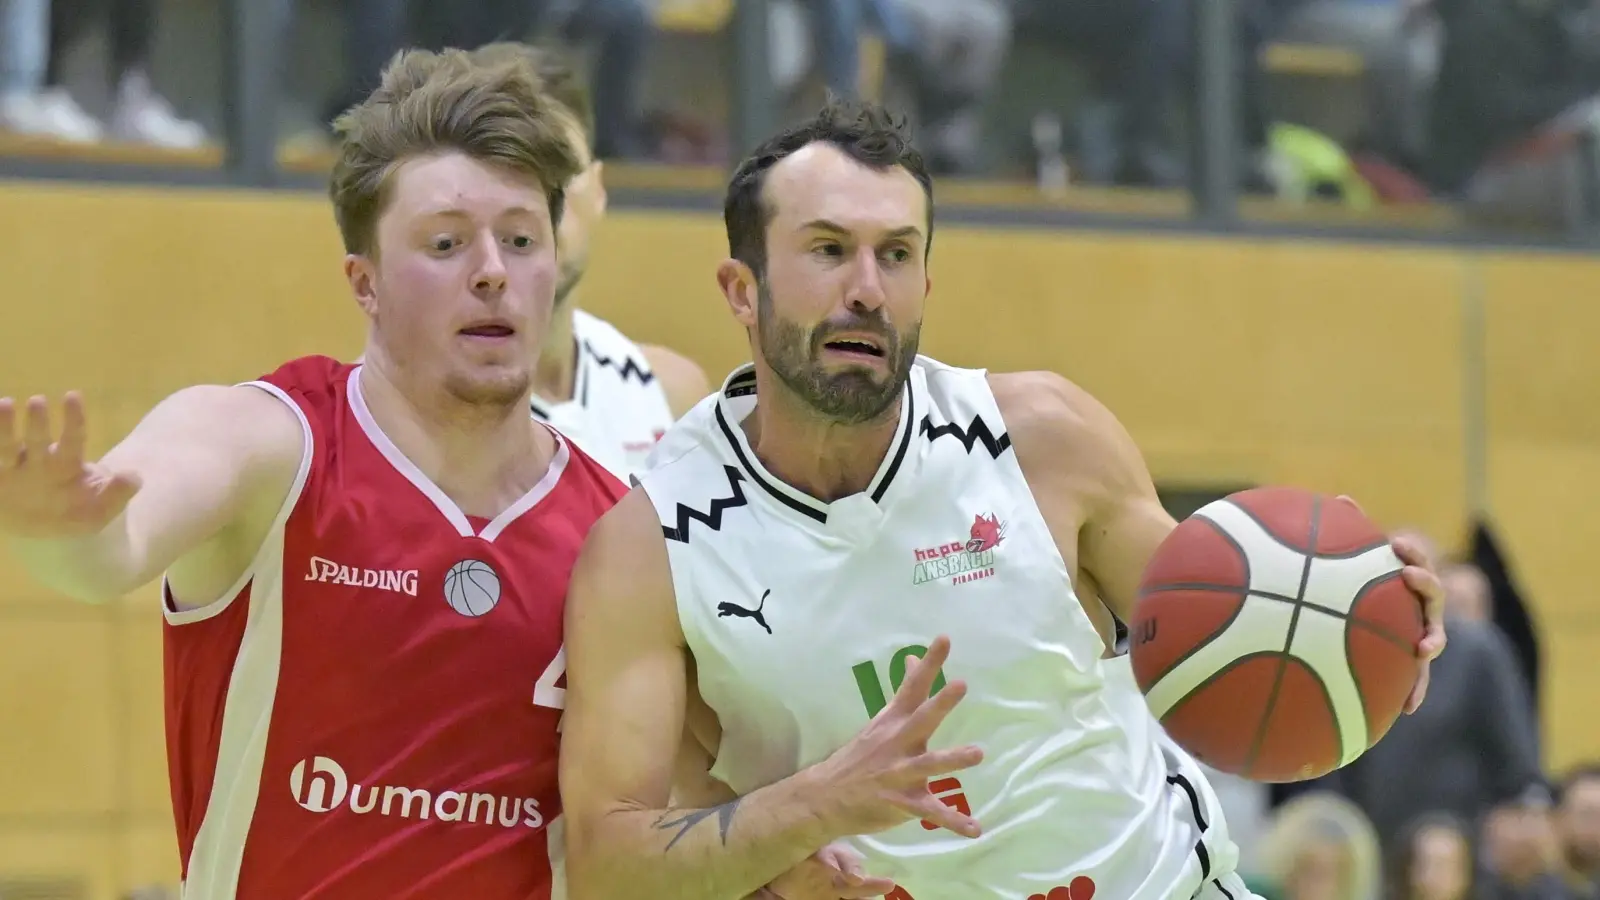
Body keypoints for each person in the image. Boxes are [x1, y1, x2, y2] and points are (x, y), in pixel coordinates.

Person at [555, 98, 1448, 900]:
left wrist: (1357, 623)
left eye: (897, 255)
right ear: (741, 291)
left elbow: (1230, 637)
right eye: (828, 250)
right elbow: (609, 865)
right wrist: (809, 808)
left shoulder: (1044, 440)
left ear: (925, 286)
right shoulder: (654, 543)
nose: (867, 288)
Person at [0, 46, 619, 897]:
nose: (490, 271)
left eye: (520, 239)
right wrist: (52, 529)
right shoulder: (272, 441)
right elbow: (113, 545)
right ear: (363, 283)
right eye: (445, 242)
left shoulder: (614, 524)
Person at [486, 44, 709, 479]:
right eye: (510, 179)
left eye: (559, 177)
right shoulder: (393, 413)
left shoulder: (672, 398)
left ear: (599, 189)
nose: (536, 211)